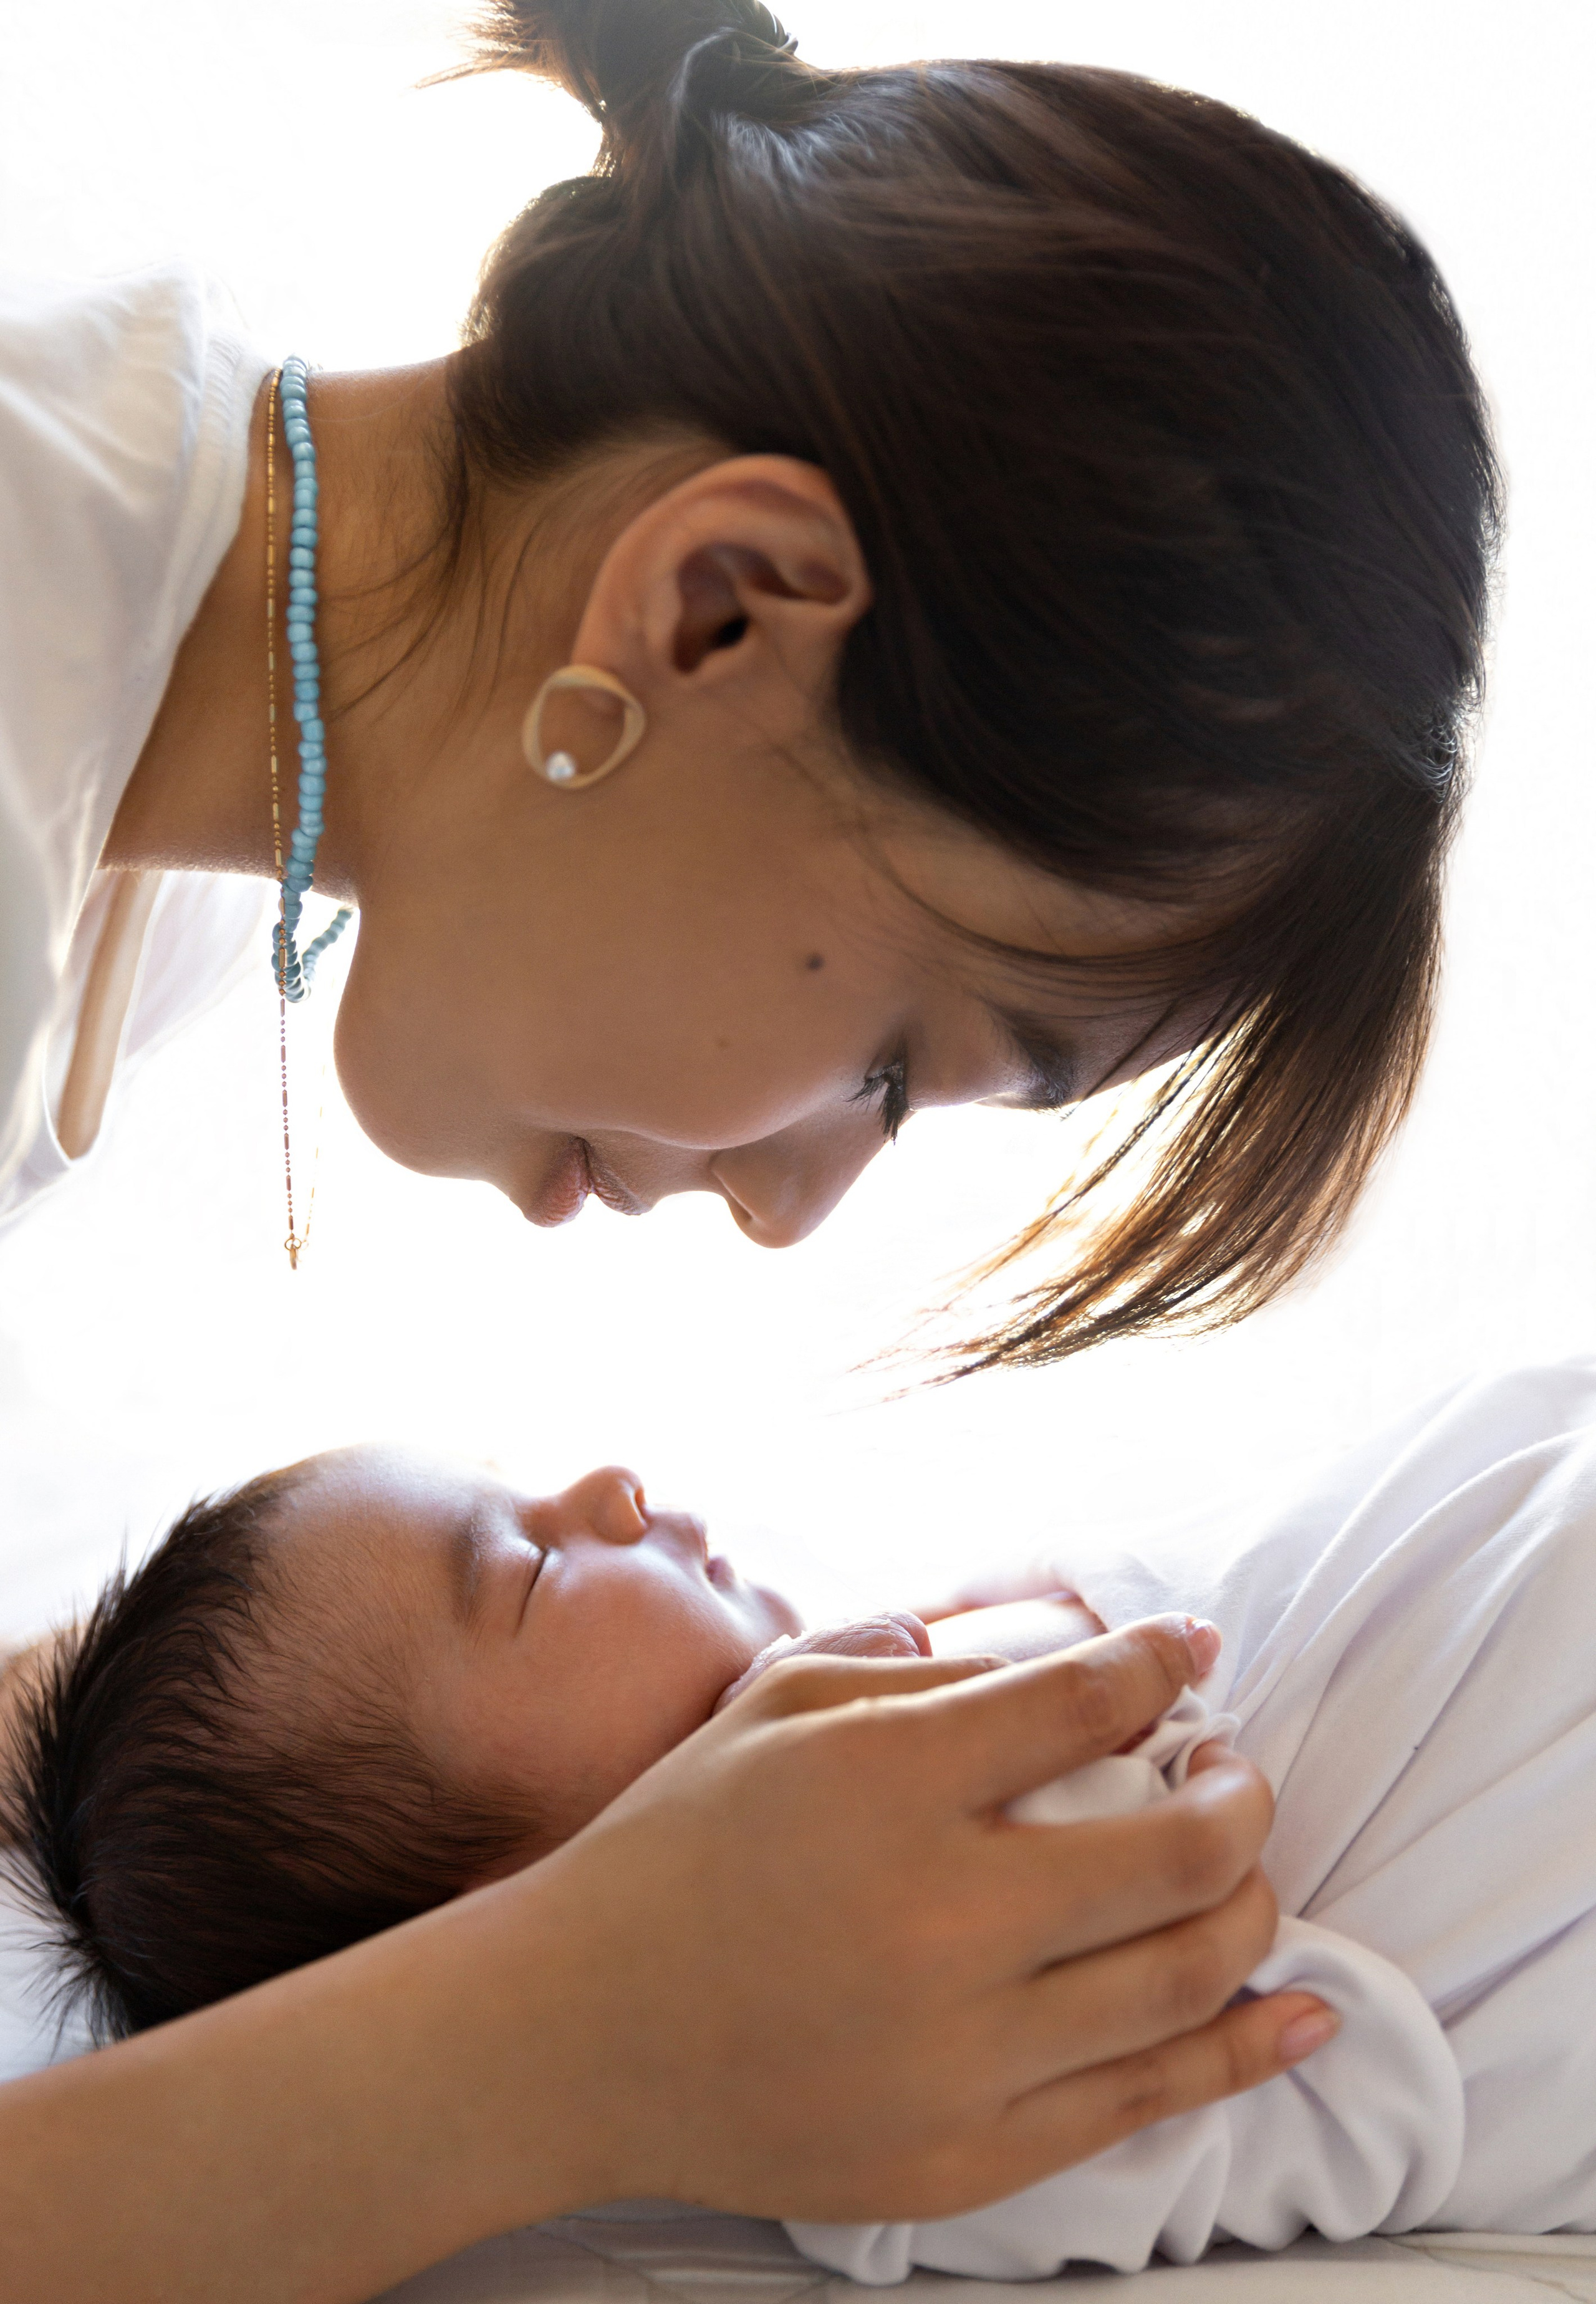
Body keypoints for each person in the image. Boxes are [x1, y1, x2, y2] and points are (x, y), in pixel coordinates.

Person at [0, 0, 1503, 2290]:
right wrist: (563, 2031)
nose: (799, 1199)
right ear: (709, 609)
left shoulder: (135, 688)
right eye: (902, 1058)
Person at [17, 1364, 1596, 2281]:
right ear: (506, 1895)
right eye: (529, 1570)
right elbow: (1339, 2097)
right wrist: (1181, 1813)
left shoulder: (880, 1664)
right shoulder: (873, 2130)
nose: (612, 1488)